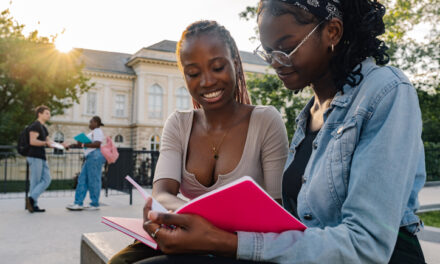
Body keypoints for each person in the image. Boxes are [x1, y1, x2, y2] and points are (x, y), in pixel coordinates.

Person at [139, 1, 427, 263]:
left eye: (286, 47)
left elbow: (366, 246)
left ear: (332, 32)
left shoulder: (386, 92)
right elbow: (293, 224)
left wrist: (225, 241)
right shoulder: (309, 115)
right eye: (268, 51)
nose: (275, 61)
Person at [108, 20, 288, 264]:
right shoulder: (179, 124)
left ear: (235, 65)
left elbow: (277, 205)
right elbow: (162, 192)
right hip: (183, 234)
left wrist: (203, 229)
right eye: (194, 73)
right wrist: (189, 222)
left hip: (236, 247)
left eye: (217, 67)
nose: (207, 81)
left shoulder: (266, 121)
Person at [26, 105, 61, 213]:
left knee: (47, 179)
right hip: (34, 156)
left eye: (49, 113)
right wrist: (45, 143)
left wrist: (61, 145)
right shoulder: (35, 125)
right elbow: (32, 141)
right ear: (39, 114)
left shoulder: (43, 127)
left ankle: (31, 199)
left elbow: (49, 142)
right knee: (35, 181)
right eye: (46, 113)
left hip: (41, 156)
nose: (49, 115)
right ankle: (33, 205)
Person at [66, 116, 106, 211]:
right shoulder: (92, 132)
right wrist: (71, 145)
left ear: (96, 123)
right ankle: (78, 203)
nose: (89, 124)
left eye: (91, 122)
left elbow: (97, 144)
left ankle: (94, 204)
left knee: (93, 180)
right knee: (82, 179)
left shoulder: (98, 131)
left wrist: (83, 144)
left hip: (95, 156)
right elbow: (84, 144)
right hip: (90, 157)